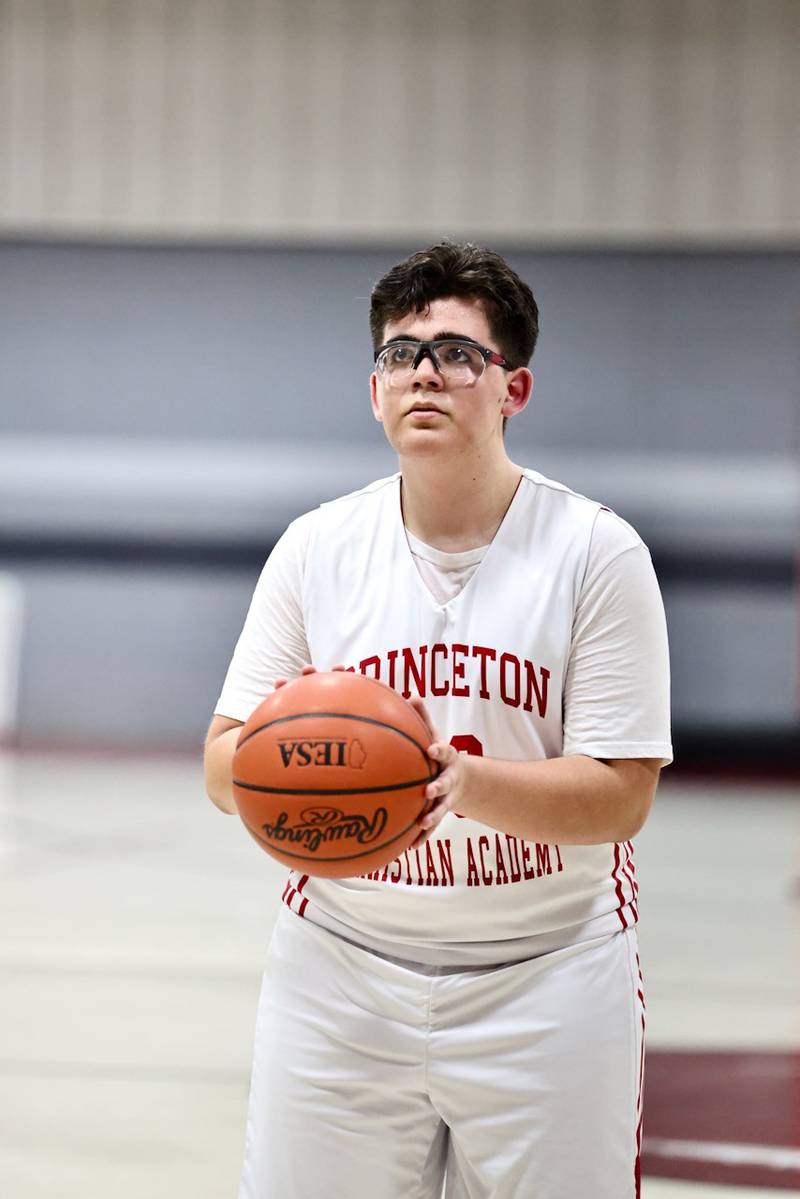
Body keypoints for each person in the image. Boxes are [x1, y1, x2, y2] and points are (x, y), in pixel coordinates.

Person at [204, 241, 672, 1199]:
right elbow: (223, 762)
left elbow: (621, 796)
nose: (424, 371)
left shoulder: (597, 553)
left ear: (514, 390)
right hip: (340, 971)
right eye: (399, 353)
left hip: (547, 974)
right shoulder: (316, 549)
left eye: (457, 352)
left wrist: (456, 783)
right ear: (373, 392)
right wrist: (299, 779)